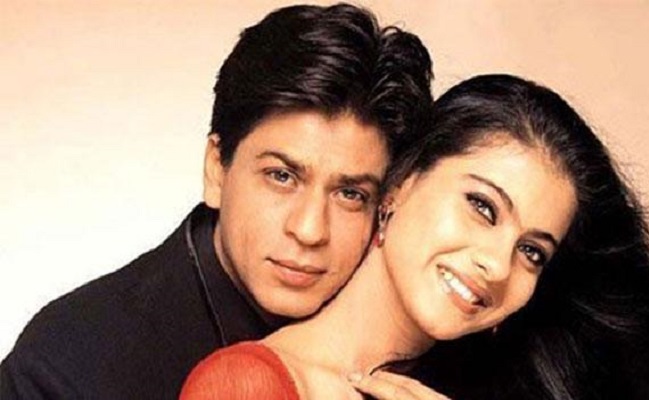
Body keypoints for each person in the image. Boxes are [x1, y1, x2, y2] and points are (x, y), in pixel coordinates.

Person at [0, 4, 433, 399]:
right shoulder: (71, 365)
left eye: (350, 194)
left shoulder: (428, 341)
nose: (309, 230)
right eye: (281, 176)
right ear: (216, 169)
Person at [179, 74, 649, 400]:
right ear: (401, 184)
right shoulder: (249, 386)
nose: (499, 265)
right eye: (482, 207)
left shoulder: (499, 384)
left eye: (532, 252)